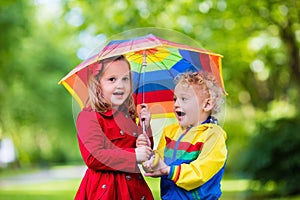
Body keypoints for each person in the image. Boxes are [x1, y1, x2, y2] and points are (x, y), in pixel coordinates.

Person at [75, 55, 154, 200]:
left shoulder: (129, 116)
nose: (120, 85)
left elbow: (143, 149)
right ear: (98, 84)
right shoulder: (89, 116)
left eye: (125, 79)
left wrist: (145, 128)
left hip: (134, 189)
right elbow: (94, 157)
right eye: (112, 79)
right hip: (106, 190)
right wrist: (134, 155)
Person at [140, 71, 227, 199]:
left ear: (207, 104)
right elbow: (159, 162)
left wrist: (168, 171)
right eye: (175, 99)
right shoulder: (170, 132)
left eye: (184, 99)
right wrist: (149, 156)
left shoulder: (212, 135)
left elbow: (200, 172)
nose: (176, 104)